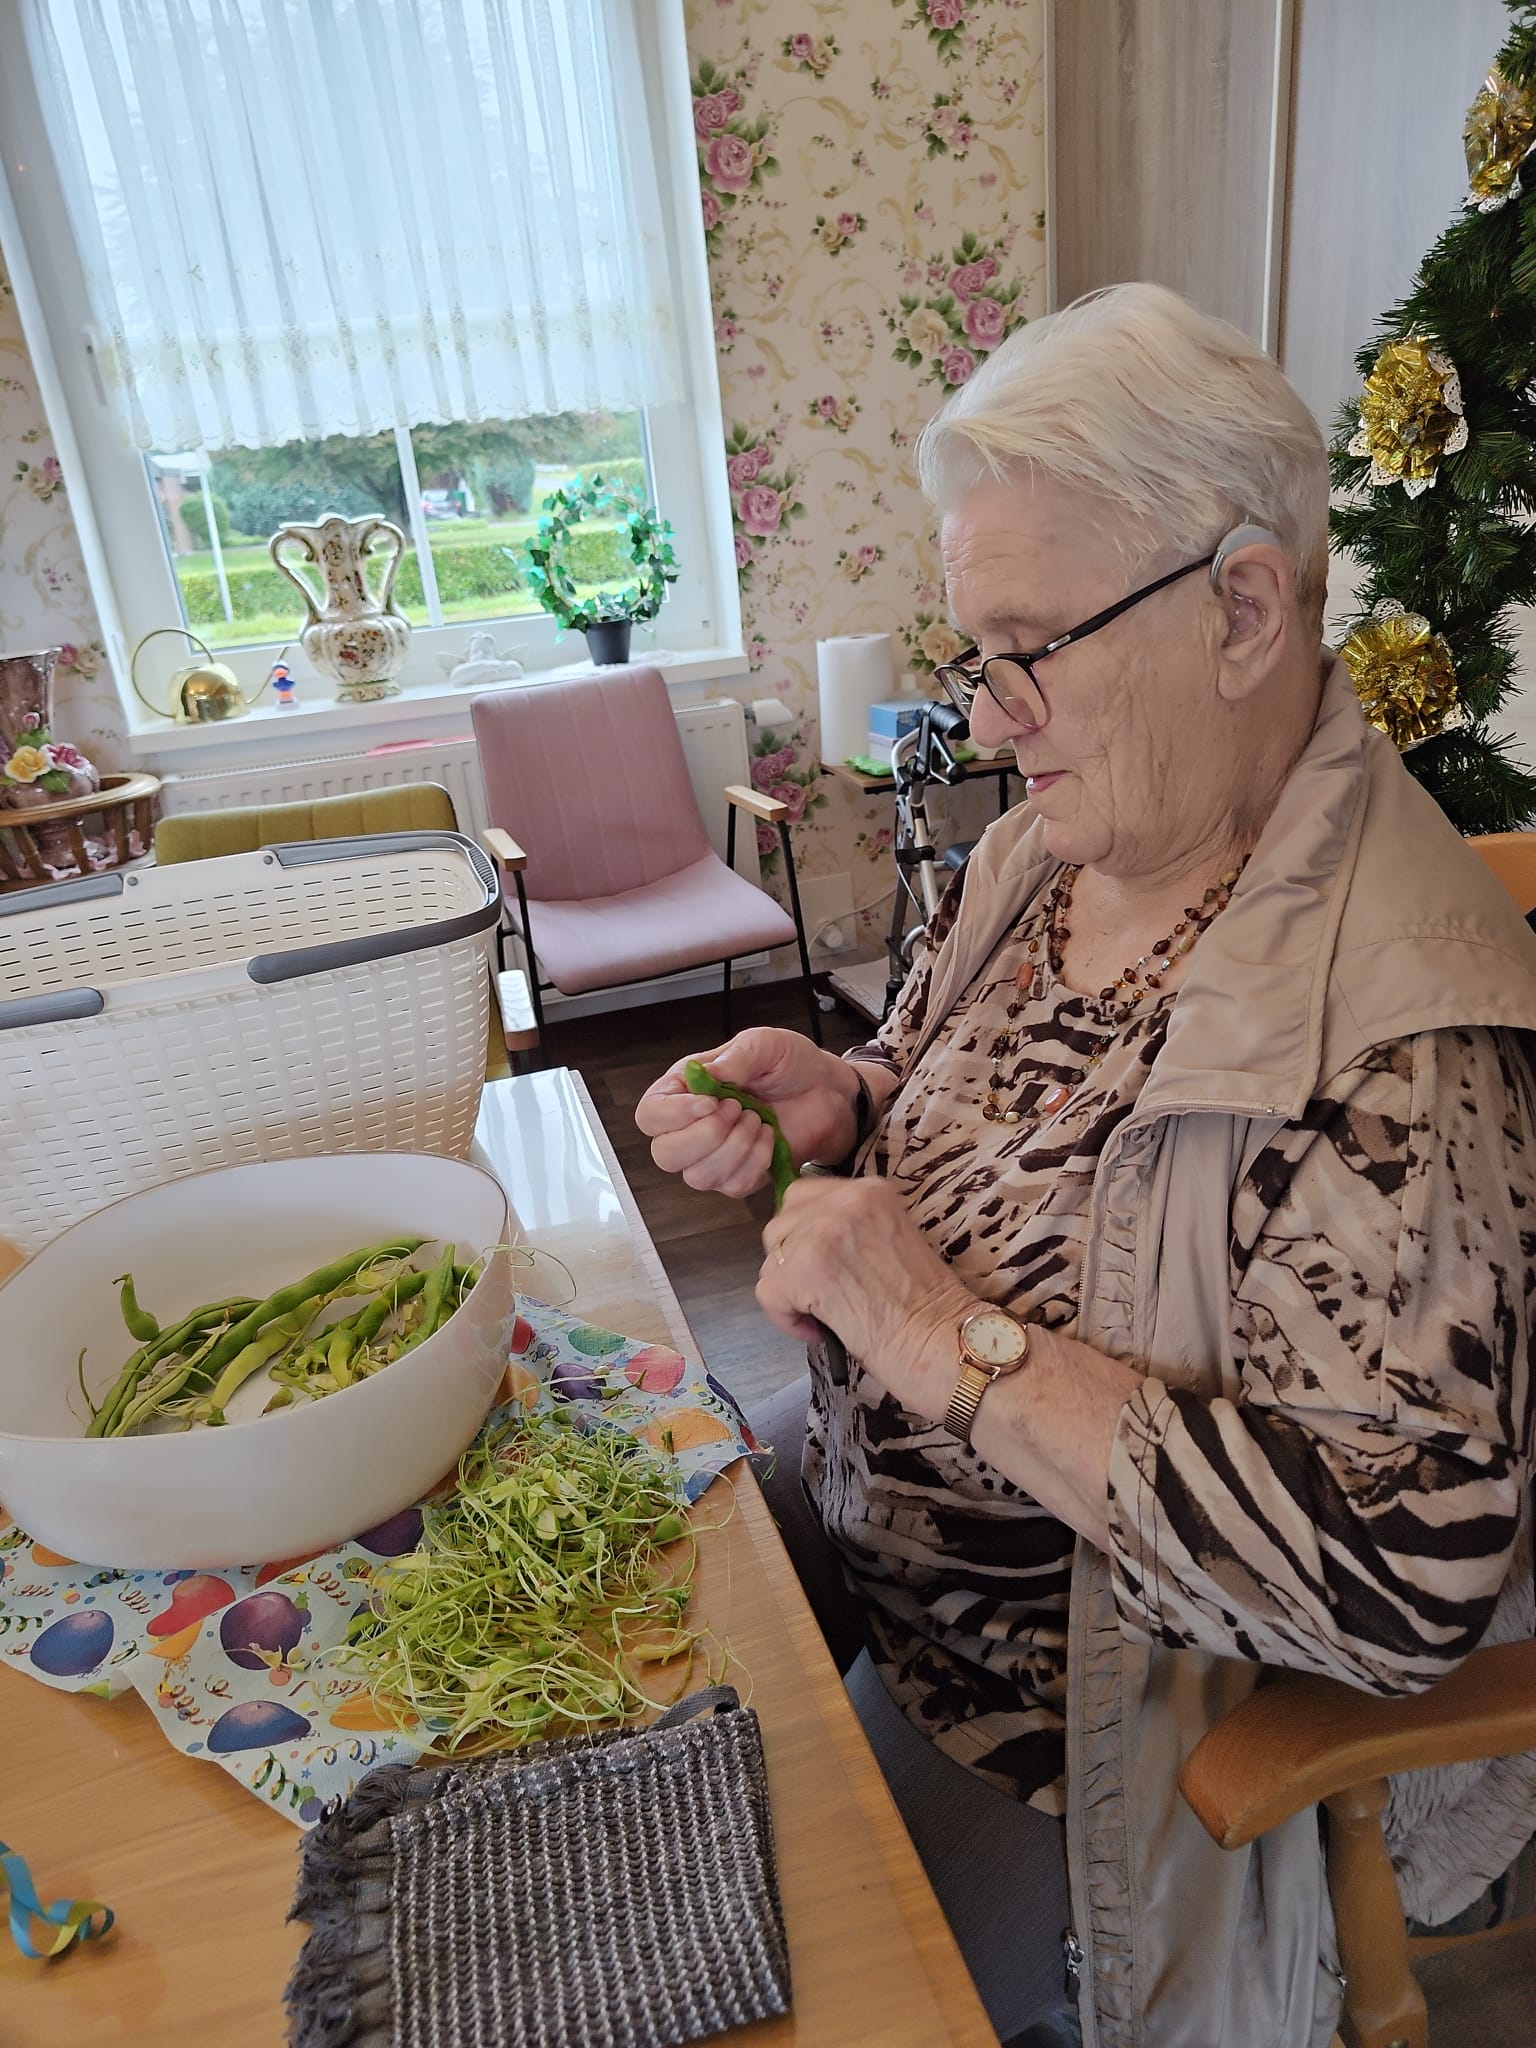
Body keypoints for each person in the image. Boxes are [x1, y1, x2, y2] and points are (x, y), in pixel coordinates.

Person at [635, 284, 1536, 2048]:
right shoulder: (1054, 850)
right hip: (893, 1624)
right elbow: (991, 1105)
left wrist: (936, 1338)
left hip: (1111, 1789)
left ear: (1243, 610)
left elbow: (1395, 1582)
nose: (988, 720)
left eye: (1028, 650)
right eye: (979, 655)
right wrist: (853, 1094)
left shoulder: (1408, 1051)